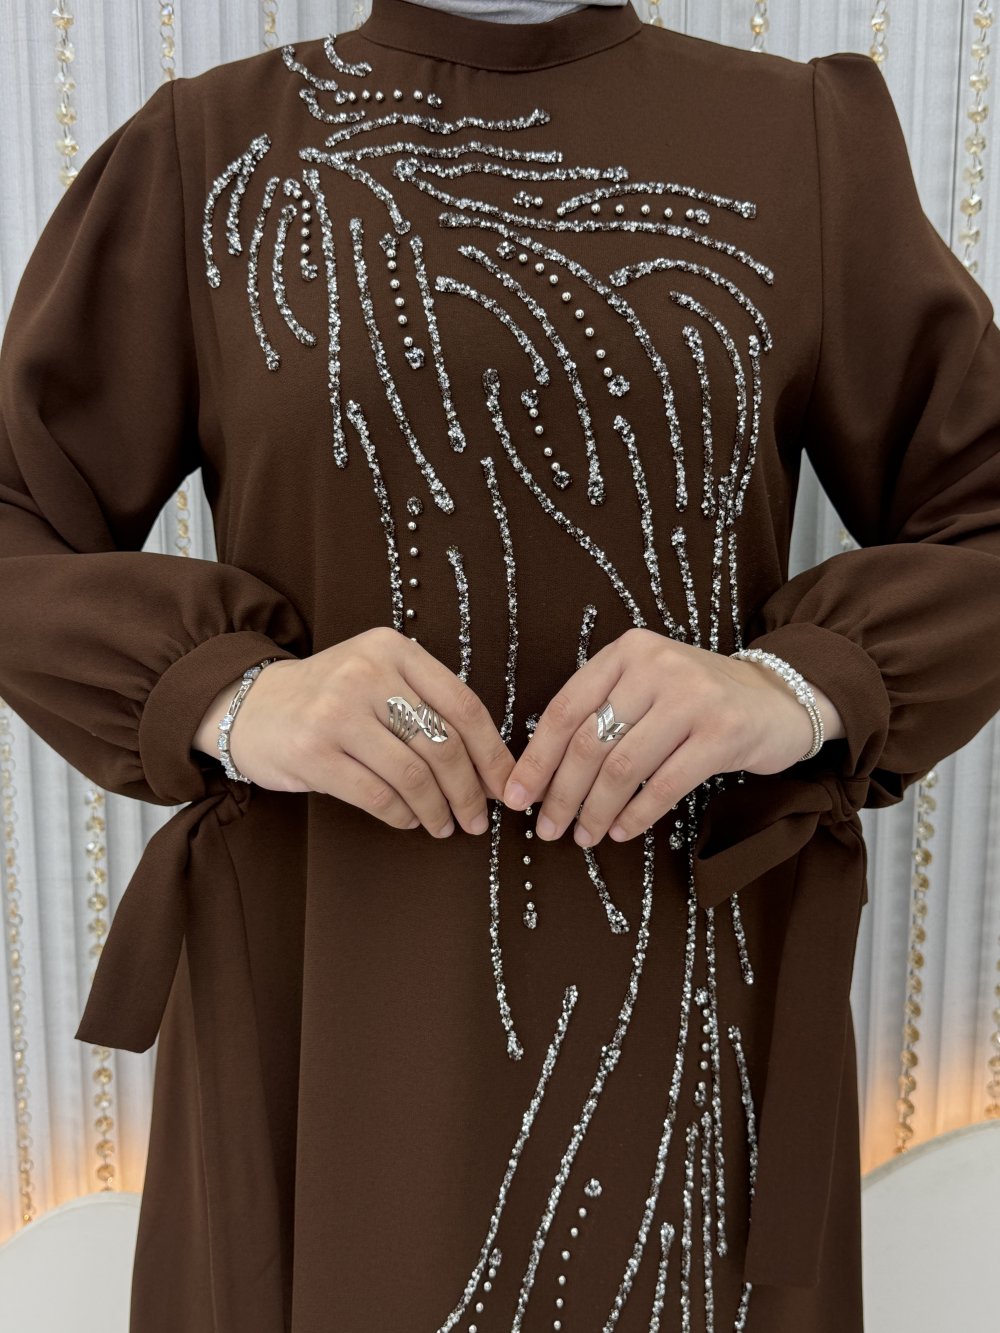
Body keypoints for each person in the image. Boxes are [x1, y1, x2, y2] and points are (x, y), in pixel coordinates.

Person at [1, 0, 999, 1328]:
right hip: (324, 992)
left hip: (688, 998)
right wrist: (235, 698)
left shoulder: (800, 140)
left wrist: (791, 685)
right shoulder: (215, 149)